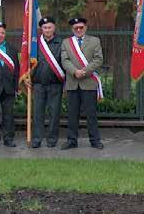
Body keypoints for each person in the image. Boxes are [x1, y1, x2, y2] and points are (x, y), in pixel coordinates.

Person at [60, 17, 104, 150]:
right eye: (76, 28)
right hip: (73, 82)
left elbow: (98, 59)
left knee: (91, 114)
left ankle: (95, 140)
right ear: (72, 29)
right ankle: (72, 140)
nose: (78, 30)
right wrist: (75, 72)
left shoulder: (95, 41)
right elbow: (64, 60)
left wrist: (84, 71)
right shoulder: (66, 42)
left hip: (89, 82)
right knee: (72, 114)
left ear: (85, 27)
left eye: (81, 27)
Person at [30, 16, 65, 148]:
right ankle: (37, 139)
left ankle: (52, 139)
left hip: (55, 83)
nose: (47, 30)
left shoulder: (61, 43)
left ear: (54, 28)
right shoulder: (35, 44)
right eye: (44, 27)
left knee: (54, 113)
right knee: (38, 113)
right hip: (38, 84)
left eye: (49, 27)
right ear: (41, 29)